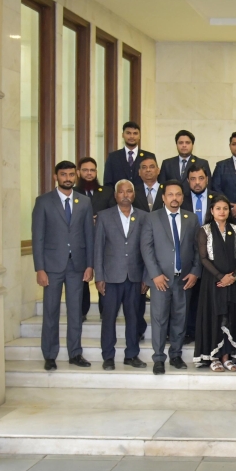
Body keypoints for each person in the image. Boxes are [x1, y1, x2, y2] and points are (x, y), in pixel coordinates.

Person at [32, 161, 95, 371]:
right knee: (51, 311)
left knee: (75, 311)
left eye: (71, 174)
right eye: (63, 175)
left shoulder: (84, 202)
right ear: (56, 177)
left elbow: (89, 235)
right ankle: (50, 355)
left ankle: (75, 353)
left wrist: (90, 265)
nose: (67, 178)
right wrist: (39, 268)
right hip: (51, 266)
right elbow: (38, 237)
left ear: (75, 176)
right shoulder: (43, 202)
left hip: (77, 265)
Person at [140, 183, 200, 375]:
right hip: (161, 279)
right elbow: (146, 248)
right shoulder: (152, 218)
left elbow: (198, 248)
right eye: (170, 195)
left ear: (182, 197)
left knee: (180, 318)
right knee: (159, 319)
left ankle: (176, 354)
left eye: (178, 194)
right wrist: (155, 274)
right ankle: (158, 358)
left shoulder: (191, 218)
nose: (174, 198)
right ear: (163, 198)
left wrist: (195, 271)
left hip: (184, 279)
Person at [93, 180, 147, 370]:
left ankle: (131, 355)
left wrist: (146, 277)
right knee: (109, 318)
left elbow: (147, 249)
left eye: (129, 191)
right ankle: (108, 356)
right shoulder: (104, 216)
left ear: (134, 194)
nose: (125, 195)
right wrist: (99, 277)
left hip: (135, 277)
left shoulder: (143, 217)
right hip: (110, 277)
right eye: (121, 192)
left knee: (133, 318)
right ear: (116, 195)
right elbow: (98, 248)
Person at [195, 196, 236, 370]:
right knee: (214, 316)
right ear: (212, 211)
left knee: (230, 316)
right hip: (213, 281)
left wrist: (233, 275)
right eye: (218, 208)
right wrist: (220, 276)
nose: (222, 211)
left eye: (225, 208)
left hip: (233, 281)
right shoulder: (204, 230)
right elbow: (203, 258)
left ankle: (227, 357)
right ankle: (214, 358)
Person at [74, 157, 113, 324]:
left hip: (104, 242)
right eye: (85, 170)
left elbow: (114, 213)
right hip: (81, 243)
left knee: (104, 277)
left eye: (92, 170)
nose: (89, 173)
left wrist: (101, 220)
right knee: (82, 278)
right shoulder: (73, 193)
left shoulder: (106, 192)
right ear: (78, 172)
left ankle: (106, 311)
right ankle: (82, 311)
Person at [181, 164, 217, 348]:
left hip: (213, 257)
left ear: (207, 179)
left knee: (210, 296)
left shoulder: (216, 198)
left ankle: (209, 332)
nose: (197, 182)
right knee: (190, 296)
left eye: (201, 178)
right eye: (193, 179)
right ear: (188, 181)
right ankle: (189, 331)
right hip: (188, 255)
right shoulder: (181, 199)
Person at [103, 121, 152, 189]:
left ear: (139, 136)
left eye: (135, 133)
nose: (132, 136)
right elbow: (108, 184)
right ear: (122, 135)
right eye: (128, 133)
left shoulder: (149, 156)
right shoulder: (113, 157)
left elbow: (154, 182)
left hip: (143, 196)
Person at [159, 129, 207, 196]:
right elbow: (162, 187)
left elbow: (207, 186)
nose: (184, 145)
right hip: (173, 200)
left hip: (193, 200)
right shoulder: (167, 164)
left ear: (193, 145)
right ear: (176, 144)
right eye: (181, 143)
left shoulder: (202, 163)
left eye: (187, 143)